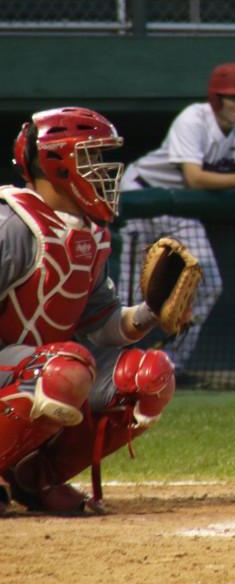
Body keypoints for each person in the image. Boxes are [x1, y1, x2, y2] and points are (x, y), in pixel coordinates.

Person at [0, 107, 177, 513]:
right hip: (19, 367)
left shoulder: (88, 234)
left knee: (150, 376)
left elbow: (103, 325)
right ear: (56, 163)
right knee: (65, 370)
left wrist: (153, 311)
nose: (102, 170)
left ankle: (35, 479)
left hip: (37, 366)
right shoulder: (12, 225)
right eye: (90, 157)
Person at [117, 63, 235, 382]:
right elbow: (194, 178)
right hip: (144, 196)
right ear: (215, 98)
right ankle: (117, 363)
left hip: (180, 207)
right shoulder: (193, 119)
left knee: (207, 282)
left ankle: (172, 361)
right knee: (129, 295)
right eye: (233, 98)